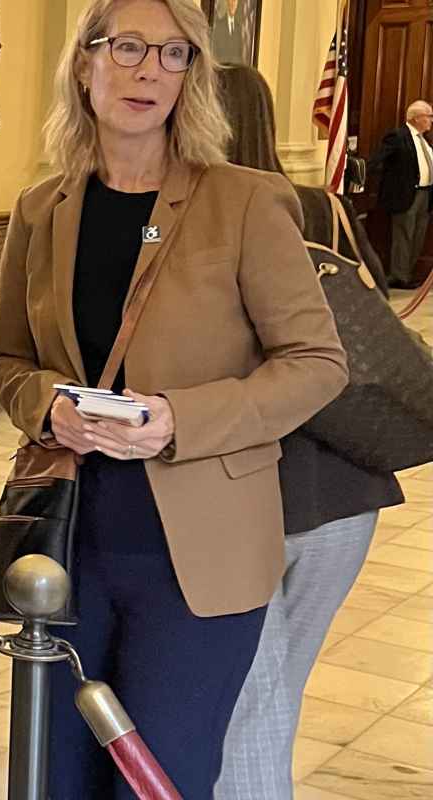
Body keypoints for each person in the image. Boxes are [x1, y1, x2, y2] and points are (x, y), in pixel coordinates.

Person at [0, 1, 349, 796]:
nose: (149, 69)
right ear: (85, 64)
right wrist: (49, 404)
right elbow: (2, 360)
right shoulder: (41, 210)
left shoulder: (245, 202)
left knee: (160, 778)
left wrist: (180, 421)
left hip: (198, 557)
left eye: (175, 54)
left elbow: (318, 363)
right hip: (69, 541)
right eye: (129, 47)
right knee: (55, 774)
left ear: (193, 78)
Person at [213, 64, 407, 800]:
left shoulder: (210, 213)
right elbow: (375, 294)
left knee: (248, 707)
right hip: (347, 485)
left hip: (259, 489)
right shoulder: (319, 207)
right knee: (275, 691)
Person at [369, 100, 433, 289]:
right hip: (406, 195)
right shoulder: (398, 136)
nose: (431, 121)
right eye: (428, 116)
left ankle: (408, 273)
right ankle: (399, 276)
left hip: (425, 195)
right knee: (403, 236)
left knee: (417, 235)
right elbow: (379, 159)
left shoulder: (424, 140)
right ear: (416, 118)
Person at [209, 0, 250, 65]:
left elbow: (240, 55)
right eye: (232, 1)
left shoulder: (238, 28)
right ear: (227, 2)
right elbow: (214, 53)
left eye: (235, 2)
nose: (233, 4)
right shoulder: (219, 25)